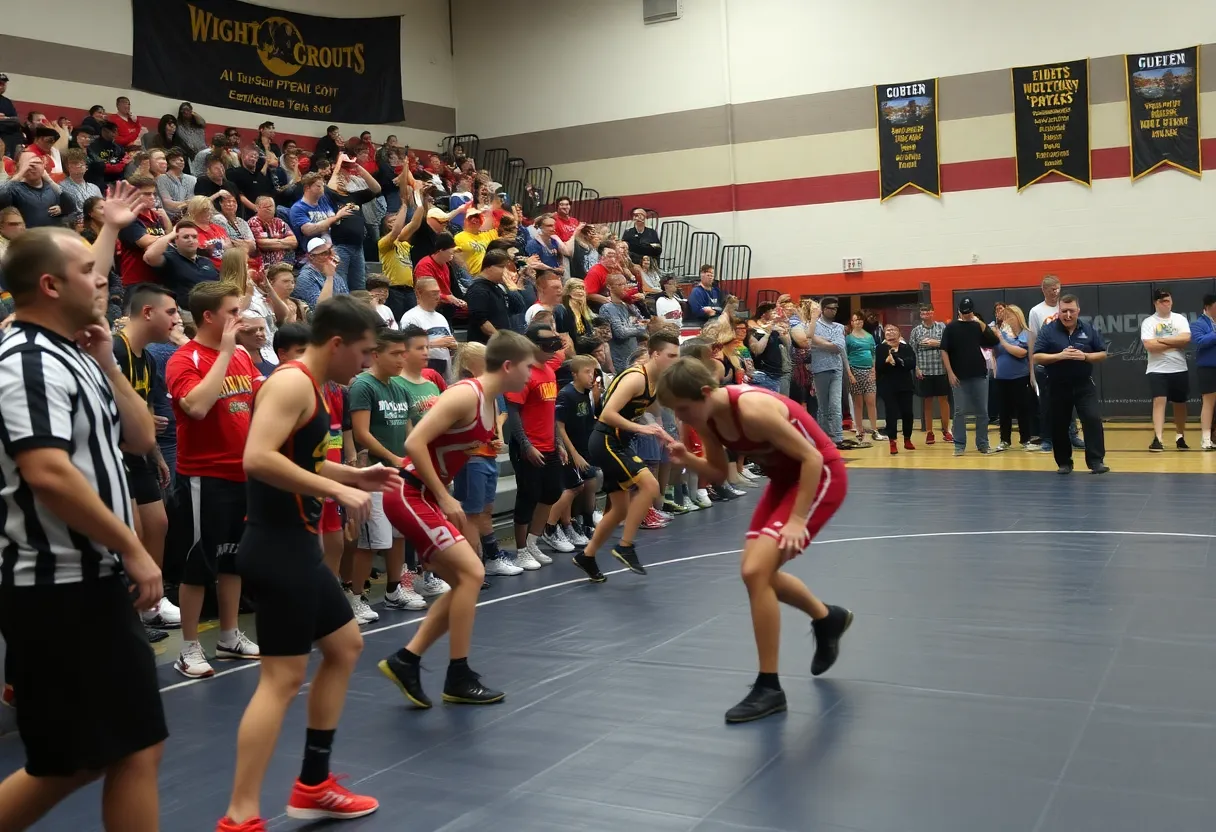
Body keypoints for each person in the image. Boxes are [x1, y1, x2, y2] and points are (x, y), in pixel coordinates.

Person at [0, 184, 166, 830]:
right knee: (70, 761)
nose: (101, 281)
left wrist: (108, 362)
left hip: (89, 584)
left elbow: (139, 438)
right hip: (55, 588)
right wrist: (130, 545)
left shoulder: (75, 355)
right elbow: (46, 472)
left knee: (128, 748)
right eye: (87, 272)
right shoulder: (24, 362)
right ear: (48, 285)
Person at [216, 296, 399, 832]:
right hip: (277, 547)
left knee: (344, 646)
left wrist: (351, 478)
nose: (366, 364)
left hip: (295, 545)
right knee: (281, 679)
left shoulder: (318, 388)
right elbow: (258, 457)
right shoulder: (292, 382)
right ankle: (240, 816)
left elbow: (303, 459)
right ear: (337, 343)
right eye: (364, 352)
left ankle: (313, 784)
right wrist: (333, 490)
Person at [657, 358, 851, 724]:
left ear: (704, 393)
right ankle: (827, 618)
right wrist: (689, 459)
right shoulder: (708, 418)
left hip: (819, 475)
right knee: (755, 573)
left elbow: (811, 457)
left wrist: (796, 520)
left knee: (755, 570)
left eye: (683, 410)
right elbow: (717, 471)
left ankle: (769, 687)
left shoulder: (753, 409)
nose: (681, 419)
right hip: (784, 481)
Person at [378, 330, 536, 708]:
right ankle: (457, 673)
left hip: (425, 493)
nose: (531, 377)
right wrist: (446, 494)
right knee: (473, 574)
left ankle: (408, 660)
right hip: (410, 491)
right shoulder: (467, 393)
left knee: (464, 581)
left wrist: (479, 446)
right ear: (509, 366)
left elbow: (444, 443)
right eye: (529, 368)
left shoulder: (487, 401)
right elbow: (415, 441)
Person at [165, 281, 262, 678]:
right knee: (198, 565)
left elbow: (261, 399)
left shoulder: (242, 356)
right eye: (233, 312)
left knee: (232, 560)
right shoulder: (184, 359)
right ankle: (188, 648)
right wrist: (224, 352)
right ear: (209, 317)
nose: (240, 319)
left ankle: (228, 636)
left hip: (242, 474)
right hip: (205, 477)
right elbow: (199, 407)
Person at [573, 331, 680, 582]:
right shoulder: (636, 378)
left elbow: (643, 414)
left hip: (618, 441)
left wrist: (662, 434)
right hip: (606, 440)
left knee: (619, 510)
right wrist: (643, 429)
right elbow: (607, 414)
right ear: (654, 354)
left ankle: (586, 557)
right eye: (671, 356)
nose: (675, 361)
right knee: (650, 485)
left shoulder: (655, 381)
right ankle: (625, 546)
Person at [115, 283, 183, 635]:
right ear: (147, 313)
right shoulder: (114, 350)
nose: (176, 319)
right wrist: (138, 421)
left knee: (157, 524)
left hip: (139, 452)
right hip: (115, 453)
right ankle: (130, 607)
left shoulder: (146, 357)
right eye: (170, 312)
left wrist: (156, 452)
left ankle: (151, 602)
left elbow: (151, 406)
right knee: (135, 531)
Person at [1032, 294, 1109, 475]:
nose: (1067, 315)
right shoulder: (1048, 330)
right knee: (1059, 424)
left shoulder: (1088, 329)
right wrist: (1059, 356)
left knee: (1092, 419)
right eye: (1063, 311)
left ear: (1078, 311)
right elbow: (1036, 357)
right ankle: (1064, 462)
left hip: (1083, 384)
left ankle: (1096, 461)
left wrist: (1086, 356)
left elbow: (1103, 354)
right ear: (1058, 311)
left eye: (1071, 311)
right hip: (1057, 385)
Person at [940, 297, 1001, 456]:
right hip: (959, 376)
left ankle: (983, 443)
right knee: (960, 411)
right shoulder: (951, 327)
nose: (966, 315)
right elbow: (944, 350)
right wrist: (950, 373)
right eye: (964, 313)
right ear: (959, 311)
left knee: (983, 411)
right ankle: (959, 445)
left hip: (979, 374)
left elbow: (993, 340)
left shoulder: (977, 326)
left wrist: (980, 322)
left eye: (969, 313)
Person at [1141, 289, 1192, 452]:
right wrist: (1173, 342)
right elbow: (1150, 346)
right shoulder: (1149, 322)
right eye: (1163, 301)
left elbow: (1185, 339)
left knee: (1180, 403)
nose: (1167, 303)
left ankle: (1180, 436)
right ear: (1156, 303)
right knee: (1159, 401)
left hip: (1179, 367)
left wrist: (1161, 340)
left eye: (1168, 300)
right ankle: (1158, 438)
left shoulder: (1180, 319)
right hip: (1157, 369)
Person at [875, 323, 916, 454]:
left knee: (907, 413)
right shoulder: (881, 348)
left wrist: (896, 360)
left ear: (899, 333)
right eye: (887, 331)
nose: (890, 332)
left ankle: (907, 439)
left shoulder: (906, 347)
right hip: (888, 386)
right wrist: (887, 362)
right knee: (891, 414)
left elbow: (911, 363)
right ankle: (892, 441)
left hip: (905, 386)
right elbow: (879, 367)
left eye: (893, 330)